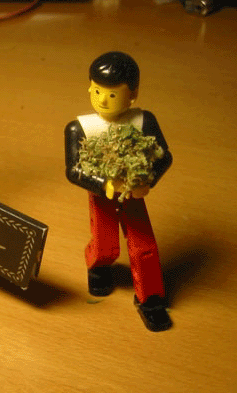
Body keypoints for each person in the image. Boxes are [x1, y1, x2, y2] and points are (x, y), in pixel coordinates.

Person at [65, 51, 173, 331]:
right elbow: (74, 170)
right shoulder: (80, 128)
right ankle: (98, 265)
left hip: (133, 193)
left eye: (112, 94)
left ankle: (150, 297)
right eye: (97, 91)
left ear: (132, 94)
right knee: (105, 242)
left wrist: (147, 180)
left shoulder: (144, 122)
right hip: (103, 195)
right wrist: (104, 184)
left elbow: (164, 157)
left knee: (144, 245)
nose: (102, 100)